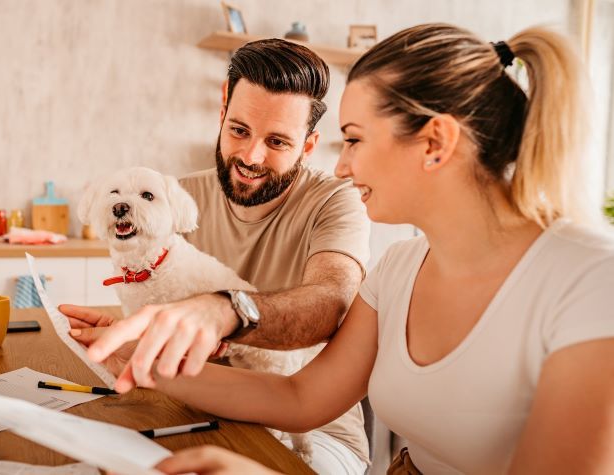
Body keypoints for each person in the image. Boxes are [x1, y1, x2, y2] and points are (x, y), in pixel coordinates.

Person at [74, 23, 614, 474]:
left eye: (353, 139)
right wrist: (134, 353)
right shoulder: (400, 269)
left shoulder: (590, 280)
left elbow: (328, 302)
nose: (340, 165)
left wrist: (224, 310)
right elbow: (299, 399)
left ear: (435, 143)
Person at [61, 39, 372, 473]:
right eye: (239, 130)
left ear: (309, 145)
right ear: (223, 108)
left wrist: (225, 310)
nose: (250, 156)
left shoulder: (336, 200)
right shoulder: (174, 196)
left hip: (317, 433)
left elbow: (331, 303)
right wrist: (136, 340)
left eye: (278, 142)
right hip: (196, 405)